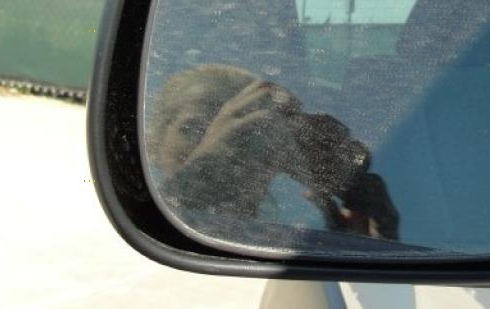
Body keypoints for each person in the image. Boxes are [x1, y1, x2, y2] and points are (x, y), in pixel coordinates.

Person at [147, 63, 399, 240]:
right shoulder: (144, 221)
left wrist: (357, 240)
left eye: (247, 134)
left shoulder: (294, 230)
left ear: (274, 157)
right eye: (193, 127)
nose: (224, 144)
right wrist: (206, 167)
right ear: (153, 145)